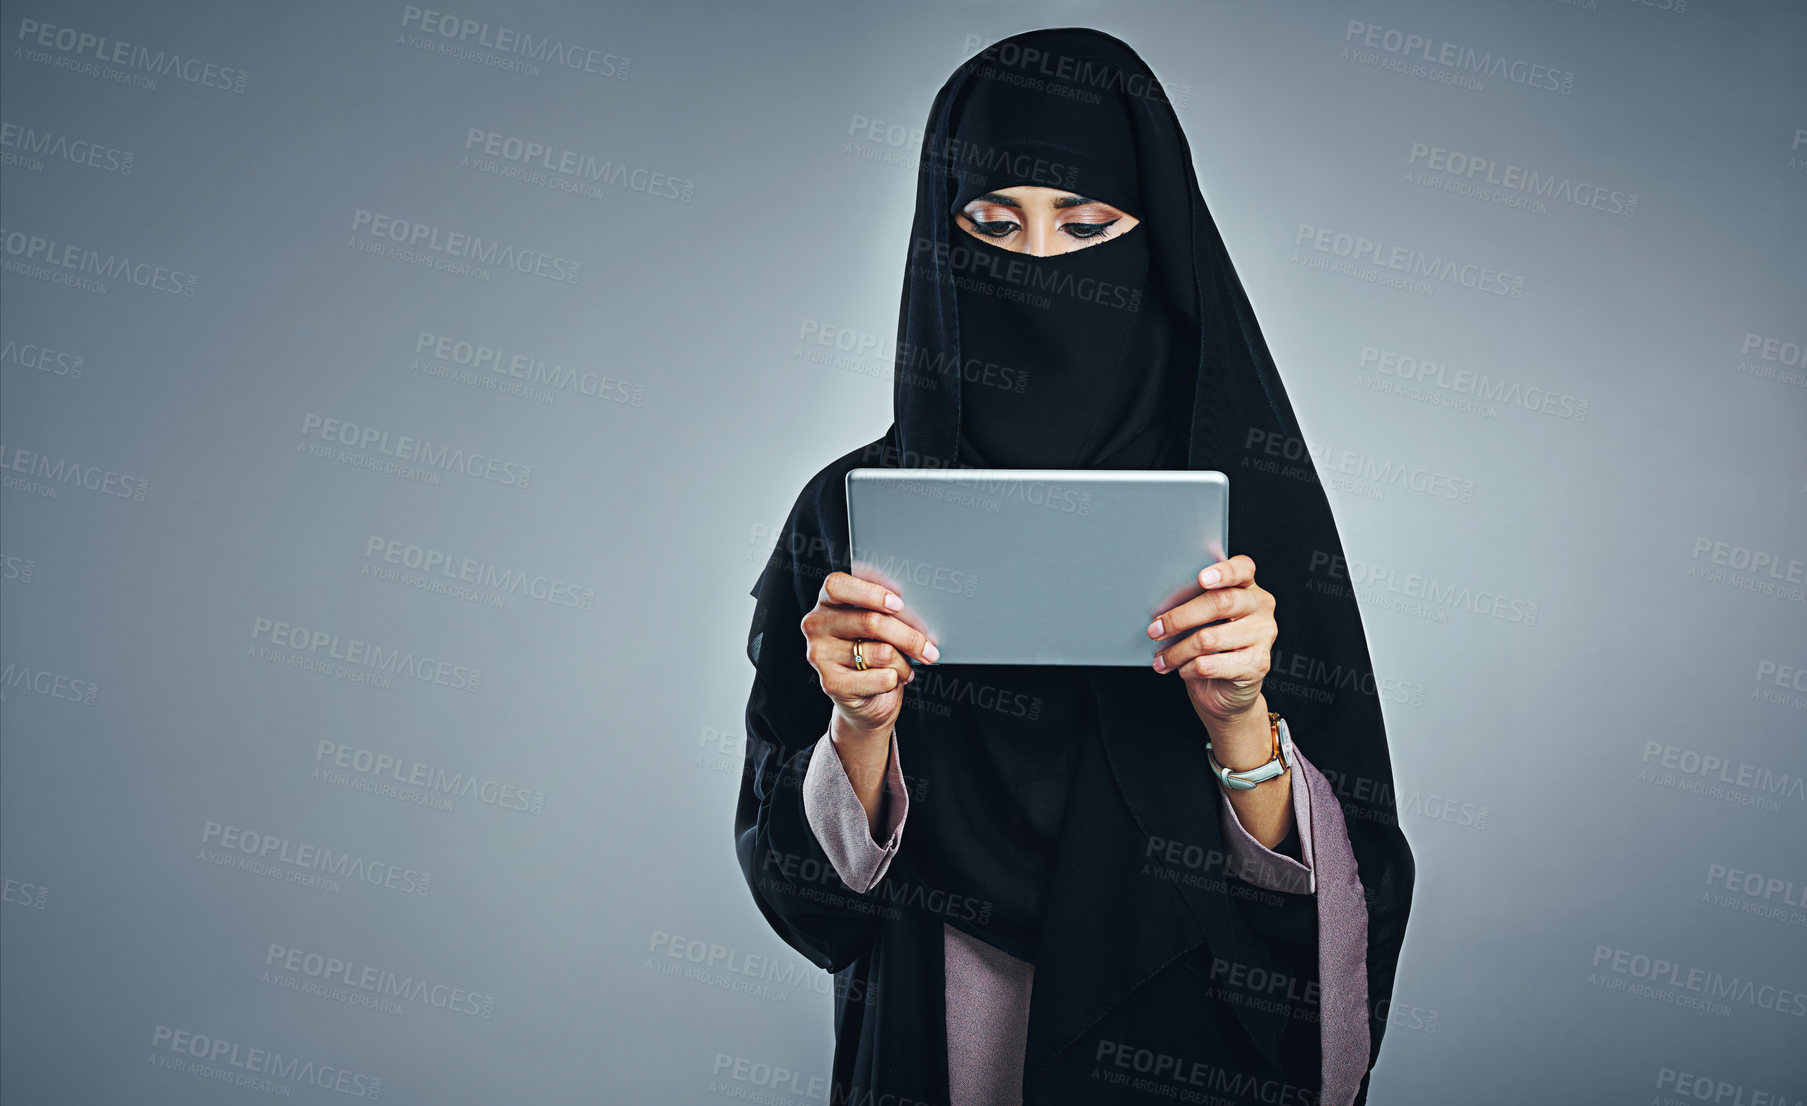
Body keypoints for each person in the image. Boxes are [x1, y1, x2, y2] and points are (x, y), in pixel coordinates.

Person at [737, 27, 1414, 1106]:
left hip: (1190, 1045)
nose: (1040, 263)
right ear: (939, 246)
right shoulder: (845, 518)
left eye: (1086, 225)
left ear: (1154, 246)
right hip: (940, 1037)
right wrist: (860, 730)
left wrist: (1239, 722)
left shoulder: (1254, 509)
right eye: (993, 223)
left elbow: (1349, 885)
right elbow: (804, 896)